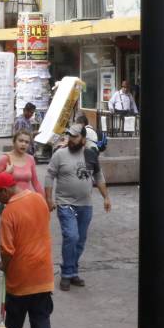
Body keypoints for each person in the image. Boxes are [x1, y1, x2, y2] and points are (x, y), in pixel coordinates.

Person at [0, 172, 54, 328]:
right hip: (43, 272)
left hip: (21, 276)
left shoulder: (9, 213)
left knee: (14, 319)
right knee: (40, 316)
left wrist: (3, 265)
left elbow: (7, 250)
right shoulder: (38, 199)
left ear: (5, 190)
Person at [44, 122, 111, 291]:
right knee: (71, 237)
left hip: (85, 204)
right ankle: (66, 273)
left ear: (83, 139)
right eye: (69, 136)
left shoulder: (90, 155)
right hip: (65, 203)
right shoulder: (60, 154)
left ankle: (72, 271)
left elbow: (98, 176)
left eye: (75, 136)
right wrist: (49, 199)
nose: (71, 139)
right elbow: (49, 175)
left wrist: (106, 197)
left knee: (80, 241)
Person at [0, 129, 42, 203]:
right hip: (9, 202)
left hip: (27, 202)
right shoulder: (5, 158)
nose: (23, 144)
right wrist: (6, 173)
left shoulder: (30, 159)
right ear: (14, 142)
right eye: (20, 141)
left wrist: (43, 200)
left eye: (27, 142)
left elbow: (36, 183)